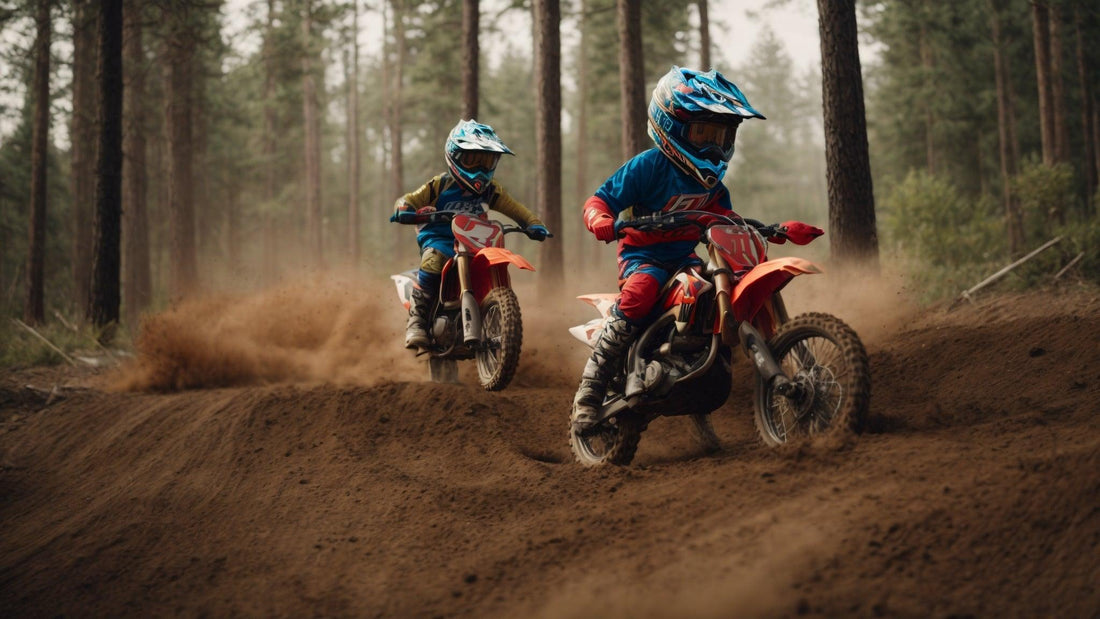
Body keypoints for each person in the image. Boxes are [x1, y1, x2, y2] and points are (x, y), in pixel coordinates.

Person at [571, 65, 767, 433]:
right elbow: (600, 200)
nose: (713, 145)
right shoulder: (649, 166)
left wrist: (772, 229)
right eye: (703, 132)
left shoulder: (713, 188)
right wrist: (601, 220)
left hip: (686, 260)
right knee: (641, 292)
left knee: (720, 284)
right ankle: (590, 391)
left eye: (721, 135)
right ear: (672, 125)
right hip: (643, 259)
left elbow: (726, 219)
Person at [391, 119, 550, 349]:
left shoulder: (491, 190)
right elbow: (409, 199)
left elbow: (515, 208)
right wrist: (404, 208)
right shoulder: (440, 185)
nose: (480, 169)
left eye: (486, 162)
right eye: (472, 160)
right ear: (455, 156)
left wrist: (533, 224)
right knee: (434, 259)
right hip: (440, 238)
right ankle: (417, 321)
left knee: (491, 265)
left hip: (476, 240)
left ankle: (494, 318)